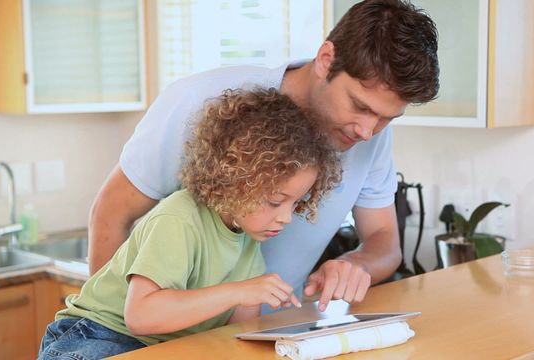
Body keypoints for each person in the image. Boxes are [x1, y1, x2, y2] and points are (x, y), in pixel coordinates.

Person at [89, 0, 439, 312]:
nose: (367, 131)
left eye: (386, 118)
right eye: (359, 106)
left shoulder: (371, 135)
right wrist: (112, 333)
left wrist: (355, 265)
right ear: (326, 60)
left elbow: (385, 243)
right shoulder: (201, 103)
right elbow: (110, 214)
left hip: (258, 334)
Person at [38, 89, 342, 359]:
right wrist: (238, 292)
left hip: (155, 347)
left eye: (296, 203)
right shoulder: (180, 217)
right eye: (275, 201)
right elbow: (141, 316)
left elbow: (235, 336)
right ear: (235, 180)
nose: (286, 217)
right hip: (94, 337)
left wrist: (260, 302)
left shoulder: (248, 241)